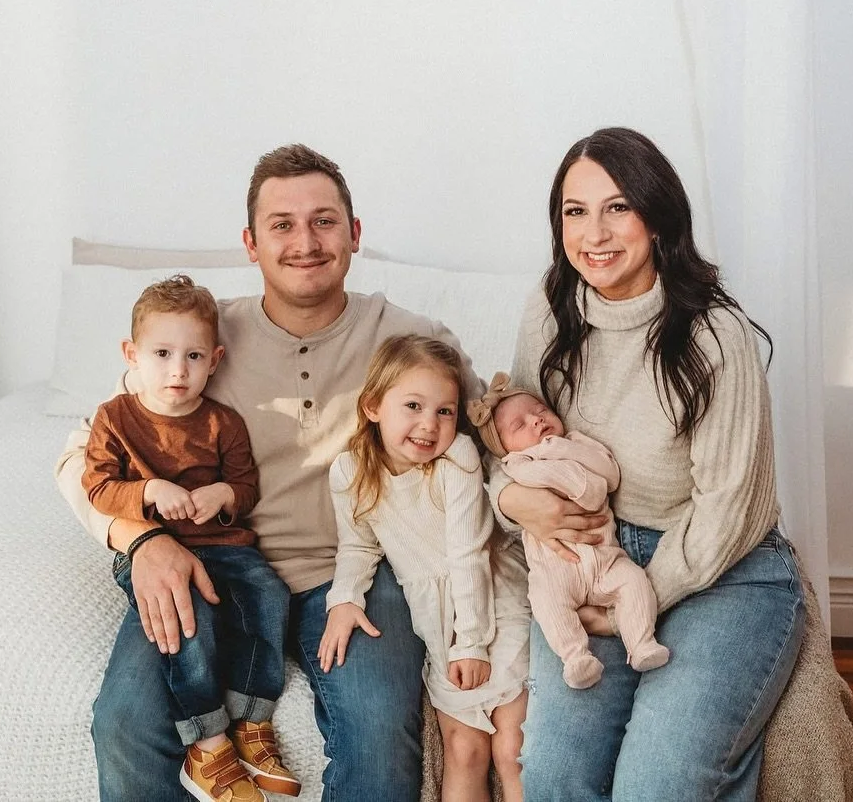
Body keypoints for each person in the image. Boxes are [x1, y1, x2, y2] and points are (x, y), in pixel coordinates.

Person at [55, 143, 482, 802]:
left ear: (354, 233)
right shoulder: (199, 341)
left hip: (353, 572)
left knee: (379, 734)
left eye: (323, 221)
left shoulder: (405, 338)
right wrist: (141, 540)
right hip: (210, 564)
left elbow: (487, 427)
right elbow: (80, 456)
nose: (305, 242)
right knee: (124, 724)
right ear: (251, 244)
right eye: (282, 225)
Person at [492, 126, 807, 800]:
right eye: (576, 211)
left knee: (657, 784)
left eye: (618, 207)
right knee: (554, 778)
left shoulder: (716, 334)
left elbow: (729, 510)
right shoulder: (550, 309)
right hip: (595, 557)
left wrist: (636, 599)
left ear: (658, 217)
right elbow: (515, 436)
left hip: (725, 569)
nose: (595, 234)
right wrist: (509, 500)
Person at [82, 274, 297, 801]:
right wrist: (149, 491)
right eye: (162, 354)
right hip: (155, 550)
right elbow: (97, 487)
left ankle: (251, 720)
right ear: (131, 355)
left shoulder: (224, 422)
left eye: (194, 356)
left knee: (270, 595)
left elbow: (245, 486)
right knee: (188, 618)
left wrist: (223, 494)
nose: (178, 370)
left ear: (215, 360)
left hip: (226, 547)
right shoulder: (115, 418)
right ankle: (208, 743)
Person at [318, 336, 529, 802]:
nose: (429, 425)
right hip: (436, 621)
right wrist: (345, 598)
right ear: (373, 406)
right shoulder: (350, 471)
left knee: (511, 750)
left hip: (493, 602)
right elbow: (358, 545)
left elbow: (469, 554)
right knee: (464, 751)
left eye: (444, 411)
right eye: (413, 406)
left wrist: (471, 643)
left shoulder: (457, 459)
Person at [468, 372, 668, 690]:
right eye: (520, 425)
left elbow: (607, 479)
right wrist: (552, 462)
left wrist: (560, 450)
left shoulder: (576, 444)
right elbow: (570, 485)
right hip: (556, 573)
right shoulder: (515, 468)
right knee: (544, 601)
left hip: (605, 560)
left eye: (540, 411)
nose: (536, 420)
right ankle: (576, 658)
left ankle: (642, 643)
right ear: (503, 449)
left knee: (633, 581)